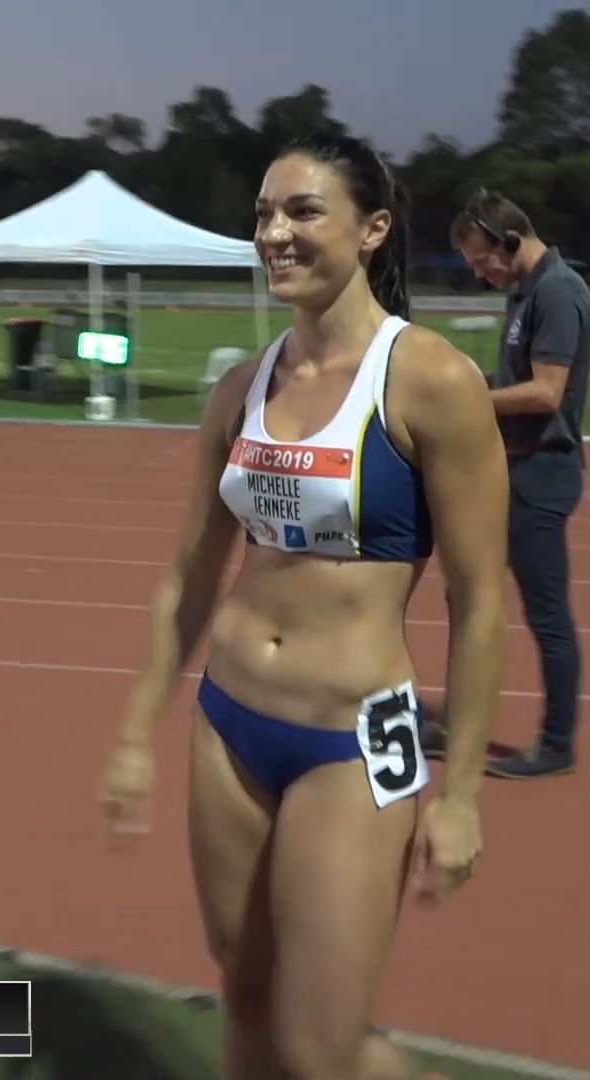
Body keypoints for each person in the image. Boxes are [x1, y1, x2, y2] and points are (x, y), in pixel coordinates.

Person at [97, 131, 510, 1080]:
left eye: (302, 211)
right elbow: (191, 573)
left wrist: (462, 795)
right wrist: (134, 734)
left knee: (320, 1049)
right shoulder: (242, 388)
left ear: (372, 229)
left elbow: (481, 603)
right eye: (263, 215)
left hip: (352, 742)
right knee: (245, 995)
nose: (274, 233)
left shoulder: (432, 381)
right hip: (230, 724)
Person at [423, 187, 590, 781]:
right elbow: (518, 377)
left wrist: (470, 400)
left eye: (482, 261)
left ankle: (557, 742)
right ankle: (456, 722)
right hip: (508, 469)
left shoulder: (558, 292)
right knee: (468, 596)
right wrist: (469, 380)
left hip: (541, 473)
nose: (480, 274)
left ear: (511, 241)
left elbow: (546, 392)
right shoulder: (525, 293)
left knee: (547, 615)